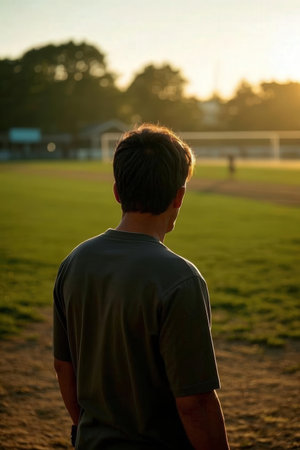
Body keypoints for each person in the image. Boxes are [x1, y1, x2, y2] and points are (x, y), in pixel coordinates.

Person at [53, 124, 230, 449]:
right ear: (179, 196)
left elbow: (64, 368)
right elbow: (195, 403)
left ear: (117, 191)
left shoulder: (74, 262)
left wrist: (86, 430)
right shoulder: (181, 278)